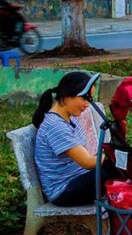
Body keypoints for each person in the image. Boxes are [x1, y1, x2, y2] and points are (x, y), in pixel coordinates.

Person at [32, 72, 118, 207]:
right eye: (84, 98)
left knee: (123, 165)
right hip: (63, 191)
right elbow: (87, 162)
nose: (87, 105)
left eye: (89, 99)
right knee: (119, 167)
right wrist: (118, 156)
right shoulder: (55, 126)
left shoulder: (70, 118)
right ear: (66, 97)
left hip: (77, 178)